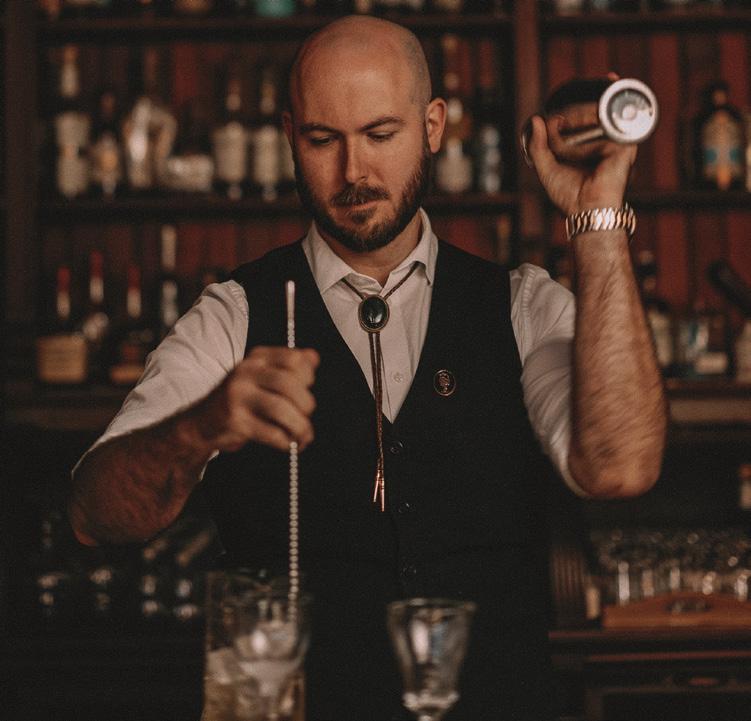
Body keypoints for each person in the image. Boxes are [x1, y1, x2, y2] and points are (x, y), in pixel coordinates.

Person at [69, 15, 667, 721]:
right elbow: (95, 516)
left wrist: (597, 222)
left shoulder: (520, 304)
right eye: (323, 139)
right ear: (290, 136)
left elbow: (620, 468)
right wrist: (199, 425)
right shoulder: (232, 314)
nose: (353, 171)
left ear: (433, 126)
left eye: (380, 134)